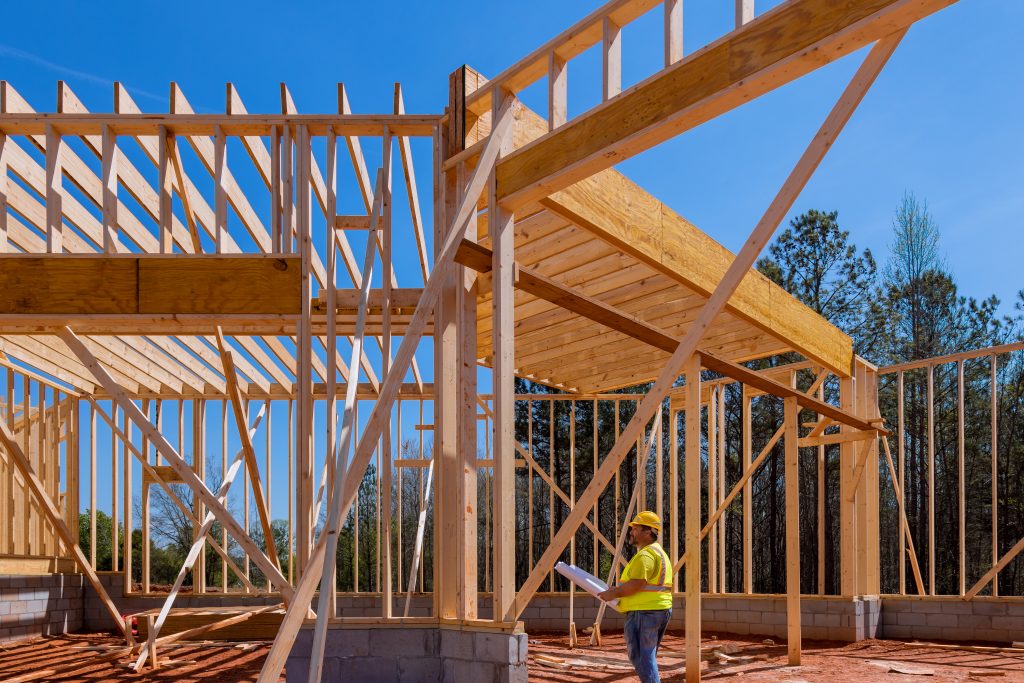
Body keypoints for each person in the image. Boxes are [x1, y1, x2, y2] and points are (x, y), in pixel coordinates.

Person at [597, 511, 673, 683]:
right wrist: (617, 589)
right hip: (659, 610)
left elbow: (637, 584)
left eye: (635, 528)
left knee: (642, 657)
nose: (631, 532)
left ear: (648, 532)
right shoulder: (659, 553)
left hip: (644, 612)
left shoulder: (645, 555)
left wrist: (614, 593)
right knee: (647, 655)